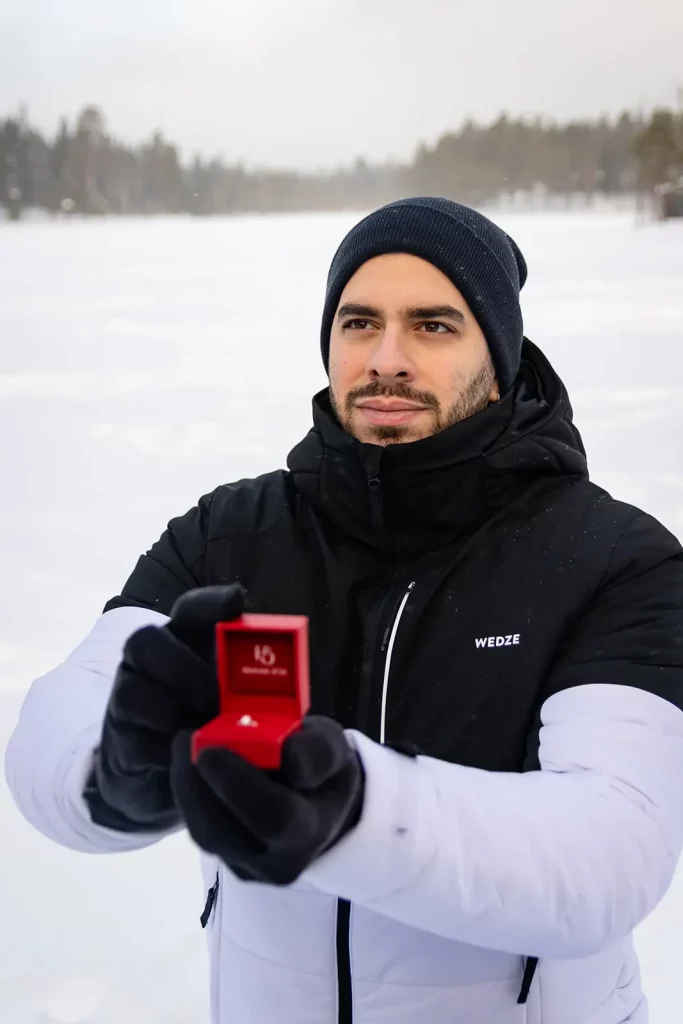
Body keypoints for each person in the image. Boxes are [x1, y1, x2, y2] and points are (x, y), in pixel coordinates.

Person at [5, 197, 683, 1024]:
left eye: (433, 326)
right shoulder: (232, 535)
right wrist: (114, 776)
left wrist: (350, 808)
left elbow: (607, 854)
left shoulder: (611, 559)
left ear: (498, 355)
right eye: (359, 323)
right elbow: (54, 724)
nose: (385, 359)